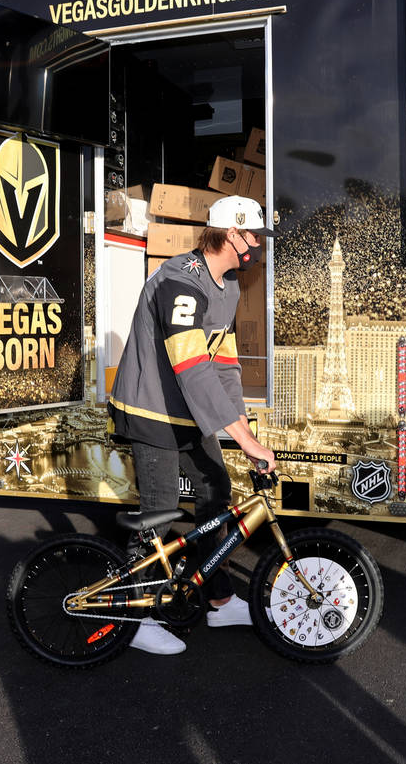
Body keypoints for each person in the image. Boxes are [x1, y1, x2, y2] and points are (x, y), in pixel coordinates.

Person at [109, 195, 277, 655]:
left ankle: (219, 600)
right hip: (151, 409)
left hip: (185, 410)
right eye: (254, 236)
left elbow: (223, 366)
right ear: (231, 235)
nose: (258, 245)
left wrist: (243, 426)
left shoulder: (228, 286)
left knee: (215, 494)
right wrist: (241, 439)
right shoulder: (178, 282)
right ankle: (133, 615)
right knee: (160, 510)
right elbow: (192, 367)